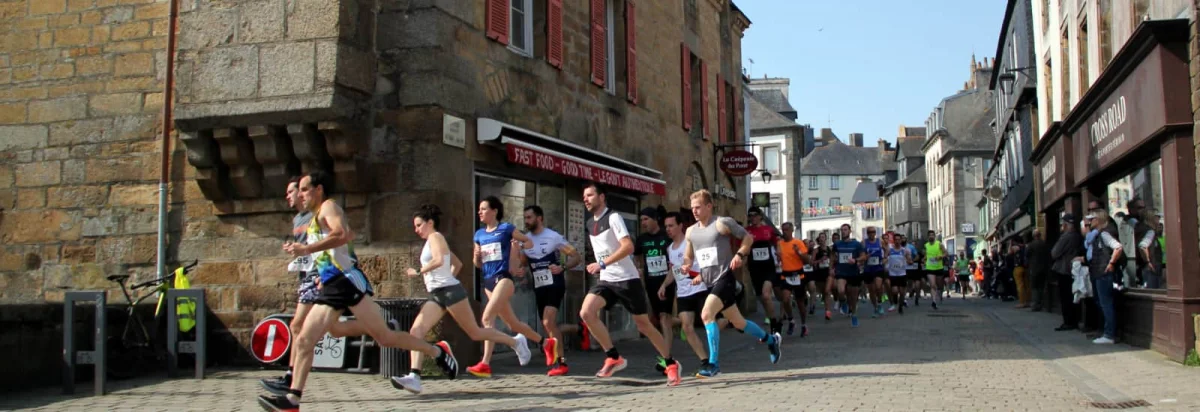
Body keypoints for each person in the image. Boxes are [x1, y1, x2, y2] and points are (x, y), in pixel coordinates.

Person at [259, 171, 458, 411]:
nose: (300, 195)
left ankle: (293, 399)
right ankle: (436, 351)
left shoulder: (328, 207)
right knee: (373, 336)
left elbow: (341, 235)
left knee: (311, 338)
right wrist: (322, 273)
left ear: (318, 189)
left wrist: (307, 249)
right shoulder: (314, 217)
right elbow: (342, 243)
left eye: (304, 189)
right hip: (334, 283)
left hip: (345, 282)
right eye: (298, 190)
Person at [389, 205, 534, 394]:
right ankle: (414, 377)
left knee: (475, 332)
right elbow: (456, 264)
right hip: (438, 293)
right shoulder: (432, 241)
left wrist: (419, 271)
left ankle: (516, 342)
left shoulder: (436, 237)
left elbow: (439, 260)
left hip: (450, 292)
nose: (416, 229)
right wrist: (445, 278)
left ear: (430, 223)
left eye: (418, 225)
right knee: (416, 331)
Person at [578, 183, 681, 385]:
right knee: (586, 313)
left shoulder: (613, 217)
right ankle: (613, 357)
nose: (586, 199)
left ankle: (671, 364)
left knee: (644, 325)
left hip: (627, 279)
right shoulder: (589, 223)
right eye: (584, 196)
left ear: (602, 197)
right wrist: (599, 265)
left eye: (590, 195)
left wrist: (602, 263)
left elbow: (628, 246)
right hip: (606, 280)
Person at [682, 190, 782, 377]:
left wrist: (739, 255)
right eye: (692, 208)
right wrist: (687, 265)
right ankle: (771, 340)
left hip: (725, 278)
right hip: (710, 282)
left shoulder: (722, 223)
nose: (694, 211)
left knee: (706, 314)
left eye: (698, 207)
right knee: (739, 322)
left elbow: (748, 238)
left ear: (709, 206)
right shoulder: (691, 232)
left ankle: (713, 364)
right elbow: (689, 255)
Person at [469, 196, 551, 378]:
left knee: (487, 318)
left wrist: (518, 246)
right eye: (479, 209)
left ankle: (485, 363)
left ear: (494, 211)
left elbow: (529, 242)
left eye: (483, 209)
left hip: (503, 279)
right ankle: (545, 342)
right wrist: (476, 256)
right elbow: (478, 265)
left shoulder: (506, 229)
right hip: (488, 282)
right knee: (512, 323)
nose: (480, 212)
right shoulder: (479, 234)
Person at [260, 177, 320, 391]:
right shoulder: (297, 219)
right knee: (333, 329)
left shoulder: (317, 214)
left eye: (291, 192)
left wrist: (321, 272)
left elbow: (327, 242)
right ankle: (292, 379)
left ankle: (291, 379)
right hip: (304, 276)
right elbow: (304, 247)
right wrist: (294, 248)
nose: (288, 196)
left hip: (316, 276)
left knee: (297, 326)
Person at [514, 205, 582, 376]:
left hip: (555, 284)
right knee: (549, 325)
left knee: (547, 322)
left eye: (529, 217)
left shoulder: (553, 237)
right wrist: (520, 268)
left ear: (540, 218)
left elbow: (576, 257)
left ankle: (561, 362)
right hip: (539, 287)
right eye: (525, 218)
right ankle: (578, 330)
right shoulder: (525, 240)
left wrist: (562, 267)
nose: (526, 221)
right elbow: (523, 263)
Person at [657, 211, 714, 374]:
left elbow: (706, 261)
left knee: (711, 323)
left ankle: (714, 357)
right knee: (687, 327)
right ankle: (705, 361)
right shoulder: (670, 248)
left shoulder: (690, 243)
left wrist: (702, 276)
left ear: (680, 226)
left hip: (699, 288)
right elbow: (673, 270)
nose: (668, 229)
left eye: (671, 226)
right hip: (683, 293)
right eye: (666, 226)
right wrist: (664, 285)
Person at [634, 205, 676, 373]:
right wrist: (639, 269)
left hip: (666, 281)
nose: (643, 223)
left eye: (646, 219)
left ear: (655, 219)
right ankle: (681, 324)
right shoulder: (641, 239)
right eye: (641, 220)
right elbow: (637, 256)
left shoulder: (666, 236)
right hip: (650, 282)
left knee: (665, 317)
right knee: (657, 317)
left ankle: (667, 358)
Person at [744, 207, 784, 335]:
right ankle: (773, 319)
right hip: (754, 268)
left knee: (766, 295)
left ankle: (774, 325)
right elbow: (742, 247)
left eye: (755, 215)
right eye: (750, 215)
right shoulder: (747, 231)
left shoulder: (768, 229)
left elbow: (777, 241)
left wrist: (778, 251)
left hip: (768, 267)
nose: (753, 218)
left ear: (760, 216)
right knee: (762, 297)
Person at [1086, 206, 1123, 344]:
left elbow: (1118, 247)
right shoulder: (1101, 233)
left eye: (1092, 219)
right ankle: (1107, 332)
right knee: (1104, 303)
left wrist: (1111, 263)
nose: (1089, 222)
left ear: (1098, 220)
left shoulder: (1104, 234)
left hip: (1104, 273)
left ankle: (1109, 334)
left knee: (1106, 303)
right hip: (1101, 272)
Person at [1051, 213, 1086, 331]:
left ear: (1065, 224)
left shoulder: (1066, 236)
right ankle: (1074, 320)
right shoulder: (1078, 236)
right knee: (1073, 296)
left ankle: (1068, 322)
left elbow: (1054, 253)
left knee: (1065, 297)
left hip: (1064, 269)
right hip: (1074, 269)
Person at [775, 222, 810, 336]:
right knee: (785, 299)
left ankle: (804, 325)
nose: (784, 232)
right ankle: (791, 320)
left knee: (800, 303)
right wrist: (778, 257)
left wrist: (798, 252)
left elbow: (807, 260)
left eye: (786, 230)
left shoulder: (798, 242)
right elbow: (779, 258)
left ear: (791, 230)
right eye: (783, 230)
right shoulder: (780, 243)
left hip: (798, 275)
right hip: (786, 275)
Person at [832, 224, 869, 326]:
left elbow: (864, 257)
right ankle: (843, 302)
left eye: (845, 229)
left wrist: (855, 260)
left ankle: (854, 315)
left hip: (853, 272)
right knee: (840, 290)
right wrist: (831, 268)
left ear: (849, 231)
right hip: (841, 272)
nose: (843, 231)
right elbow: (832, 256)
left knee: (853, 298)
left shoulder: (856, 244)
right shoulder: (837, 244)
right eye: (842, 230)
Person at [860, 228, 886, 318]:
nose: (871, 234)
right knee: (871, 290)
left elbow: (887, 249)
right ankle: (875, 307)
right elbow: (861, 254)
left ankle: (879, 302)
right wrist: (864, 257)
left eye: (873, 232)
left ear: (875, 233)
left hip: (878, 267)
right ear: (867, 234)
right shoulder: (863, 242)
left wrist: (885, 258)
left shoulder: (880, 241)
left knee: (878, 287)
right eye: (869, 232)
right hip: (868, 269)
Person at [885, 233, 912, 314]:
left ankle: (900, 306)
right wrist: (884, 262)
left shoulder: (904, 250)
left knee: (902, 292)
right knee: (895, 290)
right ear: (893, 240)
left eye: (898, 240)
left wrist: (909, 261)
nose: (897, 241)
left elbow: (909, 259)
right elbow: (885, 258)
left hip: (902, 273)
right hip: (893, 273)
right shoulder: (890, 250)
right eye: (895, 240)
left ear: (901, 240)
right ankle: (895, 298)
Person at [809, 232, 834, 321]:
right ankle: (824, 307)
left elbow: (833, 260)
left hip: (828, 272)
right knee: (823, 292)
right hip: (819, 273)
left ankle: (828, 311)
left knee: (827, 291)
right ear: (819, 240)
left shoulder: (829, 249)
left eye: (823, 237)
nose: (822, 239)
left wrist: (832, 266)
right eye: (820, 237)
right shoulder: (816, 250)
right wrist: (820, 260)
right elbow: (811, 262)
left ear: (826, 239)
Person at [1027, 230, 1052, 311]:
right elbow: (1049, 255)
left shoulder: (1031, 245)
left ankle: (1035, 305)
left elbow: (1027, 255)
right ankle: (1041, 304)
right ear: (1040, 235)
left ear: (1033, 236)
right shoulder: (1044, 244)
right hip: (1044, 268)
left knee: (1034, 287)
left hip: (1034, 269)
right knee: (1041, 286)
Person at [921, 231, 947, 310]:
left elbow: (946, 253)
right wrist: (924, 259)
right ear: (928, 237)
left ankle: (939, 293)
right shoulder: (926, 245)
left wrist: (941, 256)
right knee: (932, 285)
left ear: (934, 236)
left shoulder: (939, 244)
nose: (931, 236)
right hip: (930, 268)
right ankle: (934, 302)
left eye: (932, 235)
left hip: (939, 267)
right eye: (930, 235)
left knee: (939, 285)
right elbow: (926, 255)